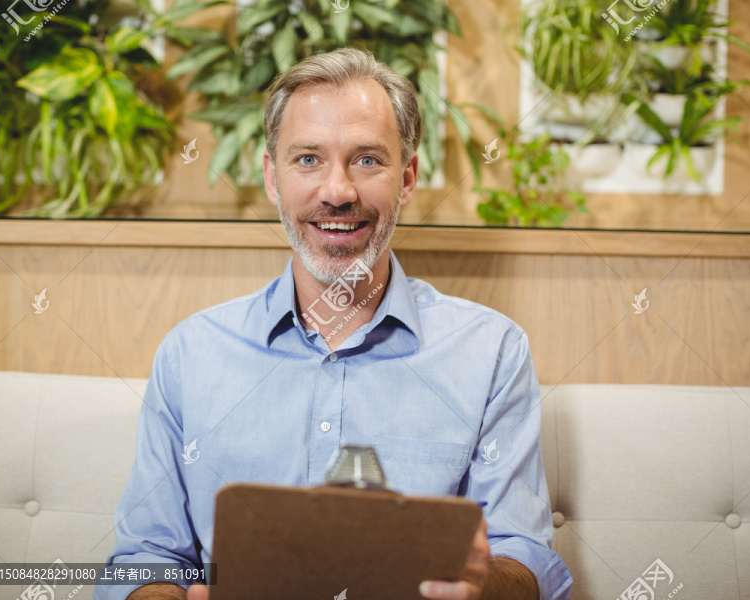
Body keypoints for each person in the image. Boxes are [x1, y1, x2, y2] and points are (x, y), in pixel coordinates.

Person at [95, 47, 571, 600]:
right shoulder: (190, 354)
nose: (338, 191)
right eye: (308, 160)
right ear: (273, 178)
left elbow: (524, 554)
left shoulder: (492, 352)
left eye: (367, 159)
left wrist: (480, 588)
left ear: (408, 178)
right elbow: (145, 557)